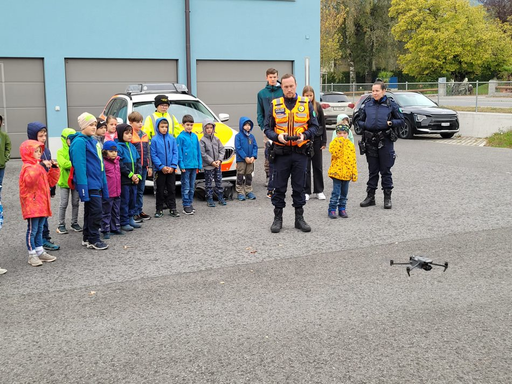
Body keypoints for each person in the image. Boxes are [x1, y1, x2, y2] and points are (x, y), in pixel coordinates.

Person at [264, 74, 318, 233]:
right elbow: (267, 128)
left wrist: (305, 135)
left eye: (291, 86)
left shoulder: (306, 103)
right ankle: (277, 218)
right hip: (281, 153)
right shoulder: (275, 105)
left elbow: (315, 127)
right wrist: (276, 136)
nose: (289, 89)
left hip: (300, 152)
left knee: (299, 187)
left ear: (296, 85)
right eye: (286, 86)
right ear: (282, 87)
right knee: (279, 187)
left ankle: (299, 219)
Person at [357, 81, 404, 209]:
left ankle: (387, 197)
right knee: (372, 170)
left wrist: (390, 123)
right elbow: (358, 120)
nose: (374, 93)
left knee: (385, 170)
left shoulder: (391, 105)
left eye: (377, 91)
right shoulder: (367, 104)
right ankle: (370, 196)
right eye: (373, 91)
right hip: (370, 140)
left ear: (383, 91)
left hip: (385, 141)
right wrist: (365, 125)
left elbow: (401, 120)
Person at [69, 113, 109, 250]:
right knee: (96, 211)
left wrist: (103, 183)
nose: (94, 127)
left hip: (96, 181)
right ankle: (94, 238)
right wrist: (83, 188)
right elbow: (79, 166)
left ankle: (87, 237)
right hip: (89, 183)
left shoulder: (93, 141)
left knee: (90, 211)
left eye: (94, 124)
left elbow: (100, 164)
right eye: (90, 125)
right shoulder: (79, 142)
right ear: (83, 126)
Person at [19, 140, 59, 266]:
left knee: (40, 228)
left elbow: (50, 182)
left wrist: (54, 169)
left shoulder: (37, 166)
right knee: (33, 229)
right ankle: (32, 254)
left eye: (39, 151)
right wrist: (41, 166)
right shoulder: (27, 167)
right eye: (35, 151)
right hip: (32, 204)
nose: (38, 154)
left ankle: (39, 251)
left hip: (41, 203)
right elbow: (30, 181)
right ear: (28, 153)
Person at [27, 121, 60, 251]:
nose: (44, 138)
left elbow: (49, 173)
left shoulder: (46, 150)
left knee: (45, 215)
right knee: (37, 220)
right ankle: (38, 243)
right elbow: (29, 174)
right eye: (40, 136)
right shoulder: (31, 152)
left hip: (45, 188)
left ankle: (44, 239)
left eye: (45, 135)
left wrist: (52, 188)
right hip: (35, 192)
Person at [257, 68, 283, 196]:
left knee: (282, 151)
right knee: (268, 153)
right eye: (270, 77)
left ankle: (281, 175)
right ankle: (268, 175)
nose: (273, 79)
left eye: (274, 77)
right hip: (268, 129)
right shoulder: (261, 94)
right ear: (267, 78)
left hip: (281, 128)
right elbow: (260, 112)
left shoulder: (282, 91)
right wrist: (263, 126)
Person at [150, 117, 180, 218]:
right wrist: (161, 166)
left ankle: (173, 208)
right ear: (157, 127)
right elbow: (153, 155)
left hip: (171, 169)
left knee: (172, 189)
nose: (164, 129)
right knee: (160, 189)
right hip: (160, 170)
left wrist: (172, 166)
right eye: (162, 127)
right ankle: (159, 209)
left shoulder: (172, 139)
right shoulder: (154, 140)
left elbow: (175, 152)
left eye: (166, 127)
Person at [327, 124, 358, 219]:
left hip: (347, 173)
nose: (342, 135)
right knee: (336, 192)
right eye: (340, 133)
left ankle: (342, 208)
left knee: (344, 193)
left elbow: (353, 160)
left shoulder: (350, 145)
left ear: (347, 134)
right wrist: (339, 142)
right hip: (337, 173)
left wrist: (354, 173)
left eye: (344, 133)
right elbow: (335, 153)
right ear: (336, 134)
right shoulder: (334, 143)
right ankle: (332, 209)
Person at [116, 123, 142, 230]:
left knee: (133, 199)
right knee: (125, 200)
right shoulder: (118, 147)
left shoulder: (132, 146)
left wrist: (138, 175)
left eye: (131, 133)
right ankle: (124, 221)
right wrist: (131, 175)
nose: (129, 135)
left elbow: (138, 161)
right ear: (120, 134)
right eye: (126, 133)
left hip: (133, 179)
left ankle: (131, 218)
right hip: (125, 180)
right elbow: (120, 164)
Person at [302, 86, 327, 201]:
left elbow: (323, 124)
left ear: (313, 95)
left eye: (310, 95)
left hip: (317, 140)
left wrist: (324, 140)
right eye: (306, 95)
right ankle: (306, 191)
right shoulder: (300, 107)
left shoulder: (318, 107)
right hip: (305, 140)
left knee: (317, 166)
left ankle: (319, 190)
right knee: (305, 167)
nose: (308, 97)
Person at [56, 128, 82, 234]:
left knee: (75, 202)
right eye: (69, 139)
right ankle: (61, 224)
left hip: (75, 181)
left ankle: (74, 222)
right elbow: (64, 164)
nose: (72, 141)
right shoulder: (60, 152)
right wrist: (75, 163)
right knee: (64, 203)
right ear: (64, 139)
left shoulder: (76, 149)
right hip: (64, 181)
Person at [177, 114, 202, 215]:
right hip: (186, 167)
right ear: (183, 125)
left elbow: (198, 151)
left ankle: (190, 203)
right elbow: (179, 153)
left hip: (194, 165)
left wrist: (199, 164)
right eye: (187, 124)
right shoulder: (180, 137)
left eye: (191, 125)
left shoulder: (195, 136)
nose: (189, 127)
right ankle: (186, 205)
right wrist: (181, 165)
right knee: (186, 186)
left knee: (192, 186)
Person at [129, 111, 151, 222]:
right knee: (134, 190)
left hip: (143, 166)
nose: (140, 124)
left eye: (141, 122)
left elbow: (148, 152)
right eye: (137, 122)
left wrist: (149, 166)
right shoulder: (130, 135)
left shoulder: (144, 134)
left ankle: (139, 210)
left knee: (141, 190)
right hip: (135, 168)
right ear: (131, 122)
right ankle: (133, 212)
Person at [200, 119, 227, 207]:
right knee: (208, 183)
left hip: (217, 165)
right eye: (207, 128)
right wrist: (211, 162)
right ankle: (209, 198)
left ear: (213, 128)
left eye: (211, 127)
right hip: (209, 166)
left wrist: (219, 160)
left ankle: (220, 197)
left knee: (219, 181)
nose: (209, 129)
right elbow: (203, 153)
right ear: (204, 129)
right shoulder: (202, 140)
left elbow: (222, 150)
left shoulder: (216, 139)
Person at [101, 141, 123, 239]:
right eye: (111, 151)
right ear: (105, 152)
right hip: (108, 192)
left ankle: (115, 227)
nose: (114, 153)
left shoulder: (117, 161)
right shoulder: (104, 163)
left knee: (116, 210)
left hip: (117, 191)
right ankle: (105, 229)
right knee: (106, 211)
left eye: (115, 151)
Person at [234, 117, 258, 201]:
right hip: (241, 160)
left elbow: (255, 147)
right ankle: (240, 192)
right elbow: (238, 148)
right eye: (245, 125)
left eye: (249, 125)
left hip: (250, 160)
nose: (248, 127)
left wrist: (253, 156)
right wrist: (245, 157)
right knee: (240, 175)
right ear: (241, 126)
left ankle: (248, 191)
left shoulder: (252, 136)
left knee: (249, 175)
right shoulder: (238, 136)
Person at [0, 114, 11, 203]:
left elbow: (8, 147)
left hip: (1, 164)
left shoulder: (4, 136)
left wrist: (5, 157)